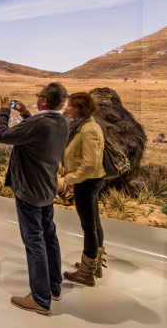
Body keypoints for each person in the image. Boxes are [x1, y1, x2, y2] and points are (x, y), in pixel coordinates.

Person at [0, 83, 69, 316]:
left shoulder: (40, 123)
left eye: (40, 96)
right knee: (49, 236)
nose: (38, 99)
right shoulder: (62, 122)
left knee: (34, 241)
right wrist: (25, 113)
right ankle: (54, 288)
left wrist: (5, 111)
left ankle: (40, 299)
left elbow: (2, 135)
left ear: (45, 101)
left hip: (29, 189)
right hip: (46, 188)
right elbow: (36, 131)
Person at [61, 92, 106, 287]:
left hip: (87, 181)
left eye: (70, 105)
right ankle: (94, 265)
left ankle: (86, 274)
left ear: (80, 108)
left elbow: (90, 163)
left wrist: (71, 177)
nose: (66, 108)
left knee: (89, 227)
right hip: (89, 180)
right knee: (94, 224)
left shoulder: (88, 129)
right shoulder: (84, 126)